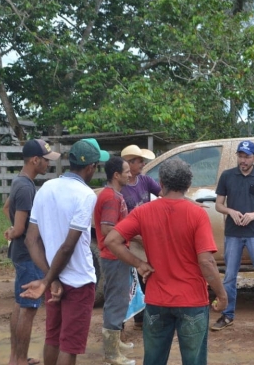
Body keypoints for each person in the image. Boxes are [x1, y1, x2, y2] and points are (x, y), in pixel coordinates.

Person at [105, 158, 228, 365]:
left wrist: (139, 263)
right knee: (194, 360)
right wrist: (222, 294)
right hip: (192, 301)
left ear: (161, 183)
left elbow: (111, 240)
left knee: (153, 360)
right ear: (188, 185)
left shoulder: (143, 212)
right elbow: (206, 262)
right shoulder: (197, 214)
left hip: (157, 300)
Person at [21, 139, 109, 365]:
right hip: (79, 281)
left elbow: (31, 240)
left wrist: (50, 279)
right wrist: (50, 279)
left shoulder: (46, 188)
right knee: (69, 346)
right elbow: (68, 246)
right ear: (90, 167)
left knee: (52, 338)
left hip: (54, 280)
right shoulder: (86, 195)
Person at [211, 140, 254, 335]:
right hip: (233, 232)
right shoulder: (227, 176)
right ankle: (227, 315)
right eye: (241, 156)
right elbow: (218, 205)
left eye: (247, 156)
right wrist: (230, 211)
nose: (243, 160)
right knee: (230, 277)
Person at [4, 139, 60, 365]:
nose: (47, 164)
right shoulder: (27, 187)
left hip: (19, 254)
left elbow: (6, 207)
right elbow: (19, 229)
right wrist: (13, 231)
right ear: (35, 160)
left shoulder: (19, 181)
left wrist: (12, 229)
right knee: (28, 308)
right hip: (28, 255)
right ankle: (18, 360)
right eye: (46, 160)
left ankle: (15, 357)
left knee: (20, 304)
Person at [94, 156, 135, 365]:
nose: (130, 174)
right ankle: (112, 354)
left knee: (119, 300)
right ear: (116, 175)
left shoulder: (113, 194)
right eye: (127, 171)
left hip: (116, 255)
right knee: (116, 302)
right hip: (114, 256)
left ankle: (115, 344)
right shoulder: (111, 197)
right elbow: (107, 229)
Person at [120, 144, 160, 330]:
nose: (143, 164)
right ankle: (136, 318)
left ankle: (142, 318)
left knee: (145, 275)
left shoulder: (145, 180)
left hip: (145, 236)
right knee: (135, 277)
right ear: (129, 163)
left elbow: (165, 194)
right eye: (139, 161)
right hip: (132, 238)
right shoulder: (120, 188)